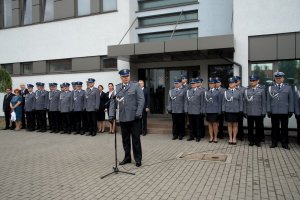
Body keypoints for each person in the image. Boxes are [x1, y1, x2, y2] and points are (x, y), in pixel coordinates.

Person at [109, 69, 145, 167]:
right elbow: (112, 102)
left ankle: (138, 159)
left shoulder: (135, 85)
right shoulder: (117, 88)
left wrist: (138, 113)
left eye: (127, 76)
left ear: (129, 76)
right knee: (125, 139)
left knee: (136, 140)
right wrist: (111, 114)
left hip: (134, 118)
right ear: (120, 78)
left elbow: (141, 100)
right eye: (123, 77)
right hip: (123, 118)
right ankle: (127, 157)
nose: (126, 78)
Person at [267, 72, 294, 150]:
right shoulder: (270, 88)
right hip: (274, 111)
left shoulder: (288, 88)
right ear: (275, 79)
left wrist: (291, 110)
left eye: (280, 78)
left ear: (283, 79)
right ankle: (274, 142)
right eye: (277, 78)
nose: (278, 79)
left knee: (284, 128)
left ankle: (284, 143)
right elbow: (268, 100)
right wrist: (268, 110)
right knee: (274, 128)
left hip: (284, 111)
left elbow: (291, 100)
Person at [244, 75, 266, 147]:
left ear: (257, 81)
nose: (252, 82)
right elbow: (245, 102)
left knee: (258, 128)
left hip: (258, 112)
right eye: (251, 80)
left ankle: (258, 141)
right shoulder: (247, 90)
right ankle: (251, 140)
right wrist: (245, 111)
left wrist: (263, 112)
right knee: (250, 128)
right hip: (249, 112)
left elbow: (263, 102)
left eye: (253, 80)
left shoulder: (261, 90)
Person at [222, 77, 243, 145]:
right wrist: (223, 109)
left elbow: (241, 102)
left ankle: (234, 138)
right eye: (230, 83)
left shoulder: (238, 92)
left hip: (236, 111)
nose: (231, 84)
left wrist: (240, 110)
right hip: (228, 110)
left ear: (235, 83)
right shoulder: (226, 92)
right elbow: (223, 102)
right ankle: (230, 138)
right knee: (229, 125)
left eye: (232, 83)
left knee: (235, 125)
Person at [203, 78, 222, 143]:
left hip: (215, 110)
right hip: (208, 110)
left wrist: (219, 111)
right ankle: (211, 137)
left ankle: (215, 137)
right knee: (209, 124)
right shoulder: (206, 92)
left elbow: (219, 102)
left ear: (214, 84)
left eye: (212, 83)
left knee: (215, 124)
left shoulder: (218, 92)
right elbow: (205, 102)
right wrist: (204, 110)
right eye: (209, 83)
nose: (210, 85)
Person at [235, 76, 246, 141]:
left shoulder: (243, 89)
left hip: (240, 108)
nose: (236, 82)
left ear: (239, 81)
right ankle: (234, 135)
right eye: (235, 81)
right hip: (233, 109)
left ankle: (240, 136)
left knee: (240, 123)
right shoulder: (230, 88)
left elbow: (245, 99)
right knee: (233, 122)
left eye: (237, 81)